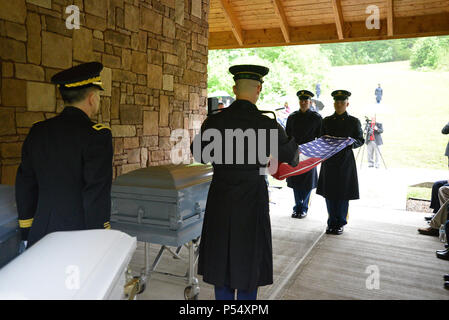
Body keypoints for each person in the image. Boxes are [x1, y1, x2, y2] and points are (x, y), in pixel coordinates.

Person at [191, 64, 299, 300]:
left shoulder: (214, 122)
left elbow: (199, 154)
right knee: (250, 262)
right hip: (252, 200)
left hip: (221, 198)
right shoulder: (267, 124)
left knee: (222, 261)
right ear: (258, 89)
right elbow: (291, 157)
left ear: (234, 89)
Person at [15, 62, 113, 248]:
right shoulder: (97, 135)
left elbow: (25, 184)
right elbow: (95, 194)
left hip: (41, 232)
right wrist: (100, 236)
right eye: (99, 96)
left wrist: (27, 230)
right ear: (91, 98)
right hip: (79, 236)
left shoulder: (38, 131)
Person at [316, 90, 364, 235]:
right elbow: (319, 138)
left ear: (347, 104)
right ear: (334, 103)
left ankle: (340, 222)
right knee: (329, 193)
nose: (339, 105)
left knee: (343, 193)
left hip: (345, 162)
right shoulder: (326, 121)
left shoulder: (354, 121)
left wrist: (350, 143)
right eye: (337, 102)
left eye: (342, 102)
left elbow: (360, 140)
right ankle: (331, 221)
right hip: (329, 161)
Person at [286, 90, 322, 219]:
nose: (303, 103)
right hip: (295, 153)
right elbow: (287, 136)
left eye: (305, 101)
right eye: (301, 100)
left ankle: (303, 207)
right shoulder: (292, 117)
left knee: (307, 182)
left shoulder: (316, 118)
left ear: (310, 102)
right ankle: (297, 206)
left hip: (309, 154)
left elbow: (320, 138)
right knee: (296, 181)